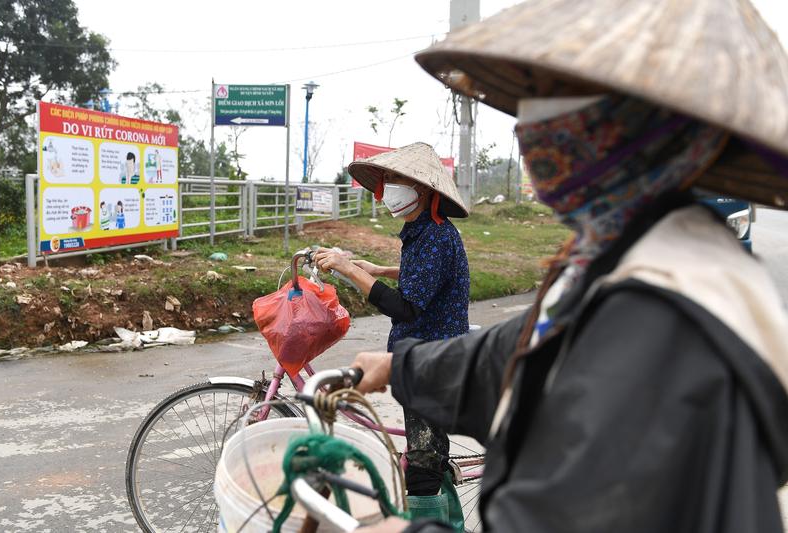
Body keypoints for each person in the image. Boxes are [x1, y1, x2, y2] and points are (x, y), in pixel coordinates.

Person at [352, 0, 788, 531]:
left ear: (650, 131)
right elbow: (526, 348)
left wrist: (389, 527)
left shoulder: (656, 316)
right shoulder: (629, 255)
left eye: (565, 104)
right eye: (534, 100)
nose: (531, 130)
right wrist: (401, 368)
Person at [314, 142, 471, 525]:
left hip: (429, 361)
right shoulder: (421, 230)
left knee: (421, 468)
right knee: (428, 455)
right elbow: (424, 277)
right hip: (420, 354)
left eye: (398, 179)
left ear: (422, 188)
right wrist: (379, 269)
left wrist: (349, 270)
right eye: (388, 179)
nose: (389, 186)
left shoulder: (435, 236)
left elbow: (406, 307)